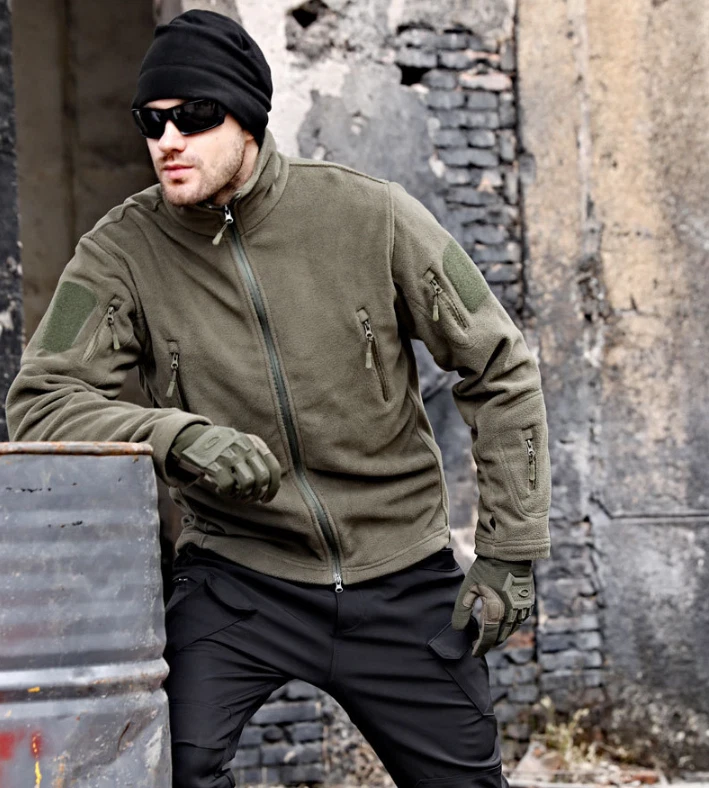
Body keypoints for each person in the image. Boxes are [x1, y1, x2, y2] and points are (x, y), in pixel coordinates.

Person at [6, 10, 551, 788]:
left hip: (399, 570)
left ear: (248, 119)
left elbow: (498, 365)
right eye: (151, 121)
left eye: (195, 116)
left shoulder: (374, 216)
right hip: (239, 576)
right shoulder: (120, 252)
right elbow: (40, 400)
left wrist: (510, 551)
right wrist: (176, 435)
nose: (167, 141)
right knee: (168, 766)